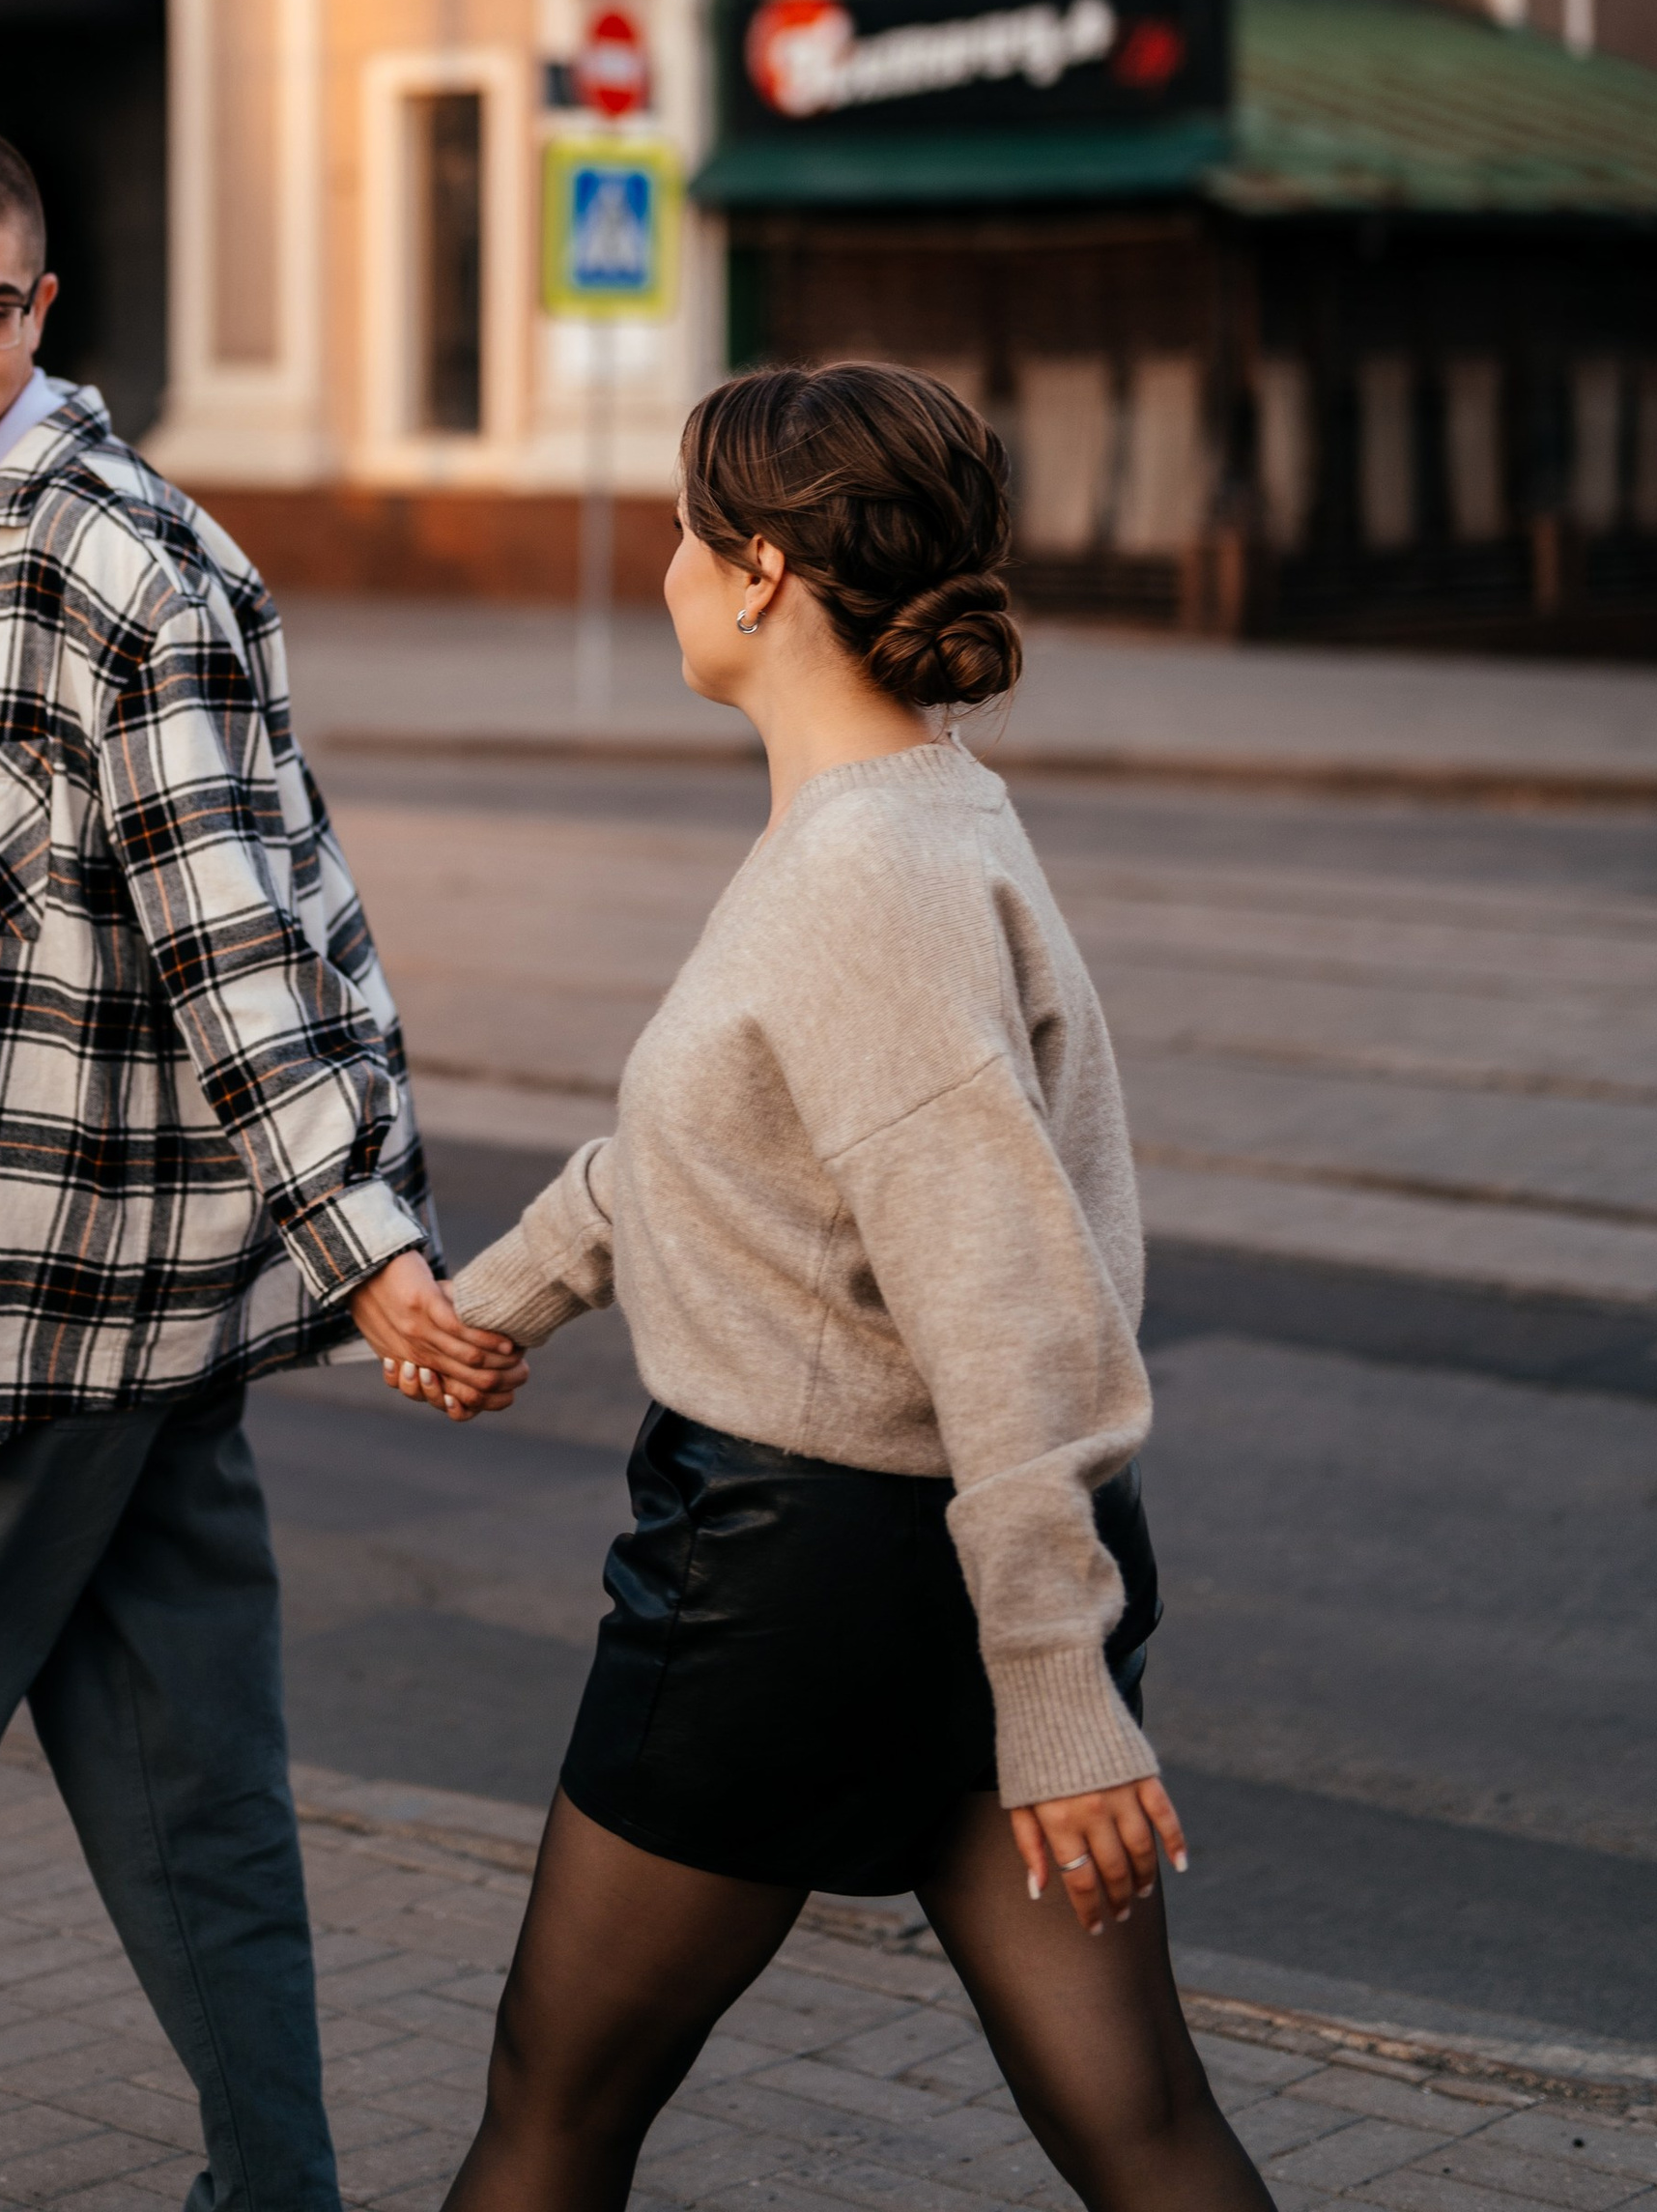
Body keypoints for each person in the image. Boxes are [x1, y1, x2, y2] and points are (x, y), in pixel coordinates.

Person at [0, 115, 513, 2212]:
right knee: (184, 1789)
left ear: (42, 308)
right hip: (119, 1268)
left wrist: (370, 1252)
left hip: (24, 1263)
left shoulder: (110, 554)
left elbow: (233, 931)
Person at [394, 360, 1273, 2212]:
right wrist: (510, 1296)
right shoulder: (916, 815)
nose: (663, 567)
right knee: (1142, 2125)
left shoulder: (862, 880)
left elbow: (1004, 1291)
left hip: (803, 1579)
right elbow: (737, 1158)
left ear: (764, 574)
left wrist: (1051, 1685)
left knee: (551, 2111)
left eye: (688, 531)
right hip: (974, 1552)